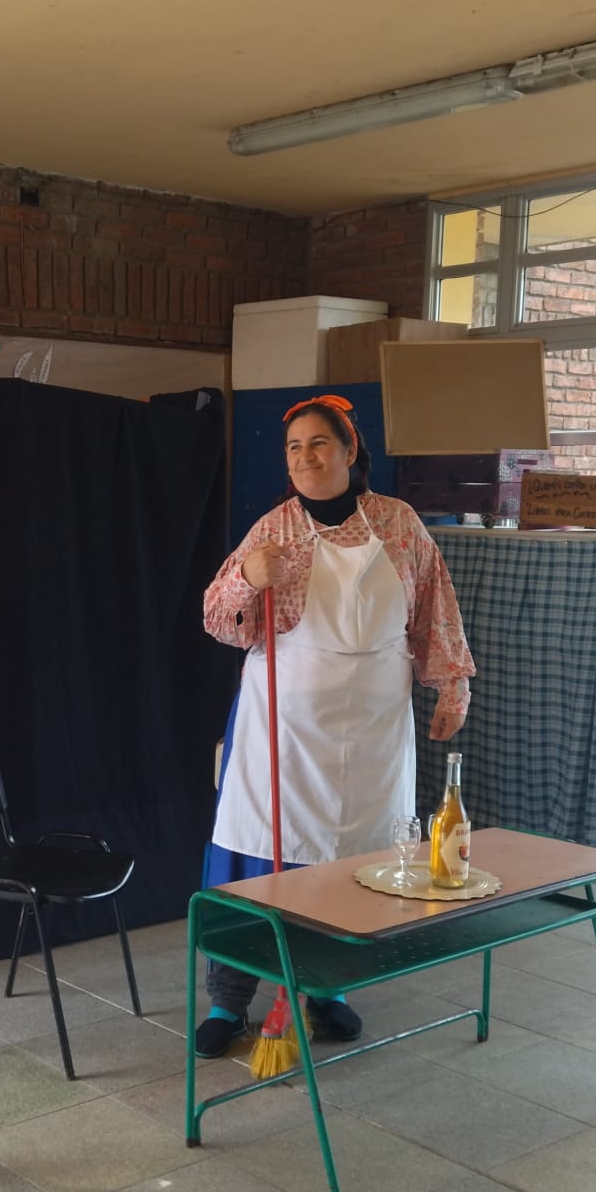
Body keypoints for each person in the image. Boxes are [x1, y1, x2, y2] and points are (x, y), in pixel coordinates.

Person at [196, 394, 474, 1056]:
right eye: (293, 447)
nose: (304, 457)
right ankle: (227, 1001)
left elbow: (434, 607)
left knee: (354, 862)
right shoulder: (273, 531)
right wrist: (243, 578)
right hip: (285, 725)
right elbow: (216, 617)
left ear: (350, 453)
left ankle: (326, 990)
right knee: (257, 858)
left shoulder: (399, 525)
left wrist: (451, 683)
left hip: (375, 720)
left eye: (318, 443)